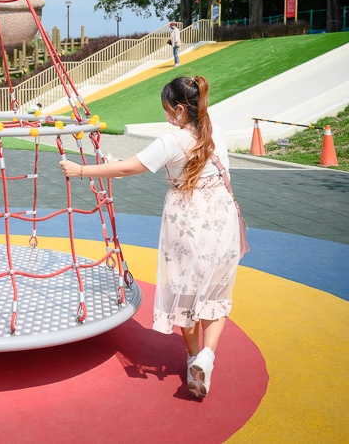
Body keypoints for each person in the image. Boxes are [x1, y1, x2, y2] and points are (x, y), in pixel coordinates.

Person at [58, 76, 244, 399]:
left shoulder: (173, 141)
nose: (166, 117)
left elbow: (131, 168)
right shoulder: (216, 134)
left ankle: (192, 358)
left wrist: (80, 171)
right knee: (214, 296)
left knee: (184, 294)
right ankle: (207, 357)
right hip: (223, 223)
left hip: (189, 225)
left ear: (182, 110)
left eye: (169, 111)